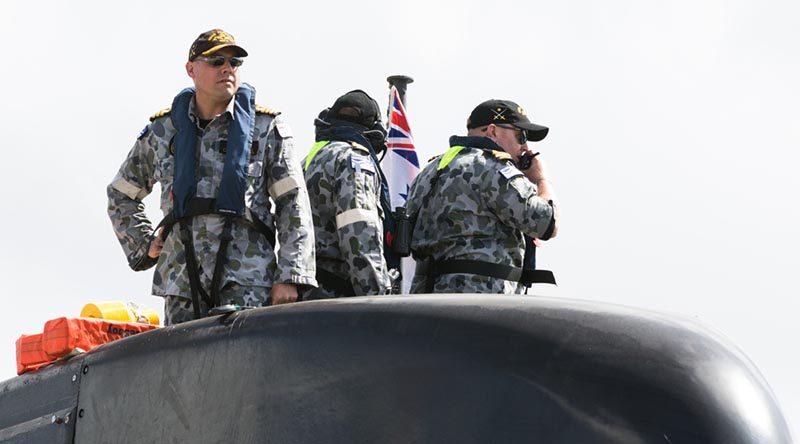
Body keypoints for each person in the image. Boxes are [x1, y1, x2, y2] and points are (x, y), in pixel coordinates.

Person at [107, 29, 317, 324]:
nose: (227, 68)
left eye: (235, 62)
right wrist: (144, 244)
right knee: (183, 370)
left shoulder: (266, 127)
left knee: (247, 367)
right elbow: (121, 194)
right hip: (182, 285)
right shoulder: (162, 131)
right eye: (216, 60)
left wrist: (291, 275)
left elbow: (293, 203)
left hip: (247, 283)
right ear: (191, 69)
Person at [406, 99, 560, 294]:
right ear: (493, 131)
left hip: (427, 302)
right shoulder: (495, 168)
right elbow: (547, 223)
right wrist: (541, 178)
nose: (525, 146)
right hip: (479, 302)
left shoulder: (431, 170)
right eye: (521, 136)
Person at [301, 90, 396, 299]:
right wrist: (377, 297)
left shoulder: (309, 160)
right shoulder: (354, 160)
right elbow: (359, 234)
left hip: (305, 293)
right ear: (375, 132)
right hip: (339, 300)